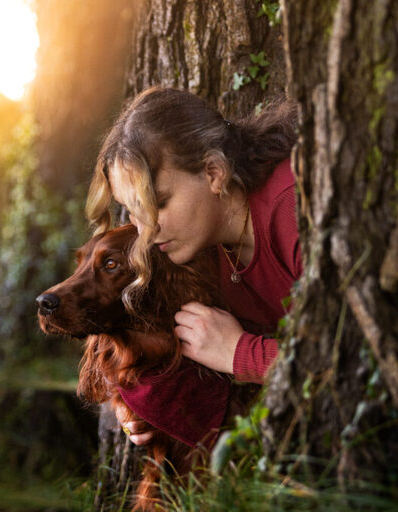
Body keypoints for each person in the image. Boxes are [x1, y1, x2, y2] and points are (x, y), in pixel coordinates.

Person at [85, 87, 301, 445]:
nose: (146, 232)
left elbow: (352, 357)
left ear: (214, 172)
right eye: (134, 212)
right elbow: (122, 332)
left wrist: (239, 353)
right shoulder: (191, 246)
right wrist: (135, 407)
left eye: (159, 204)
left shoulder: (291, 208)